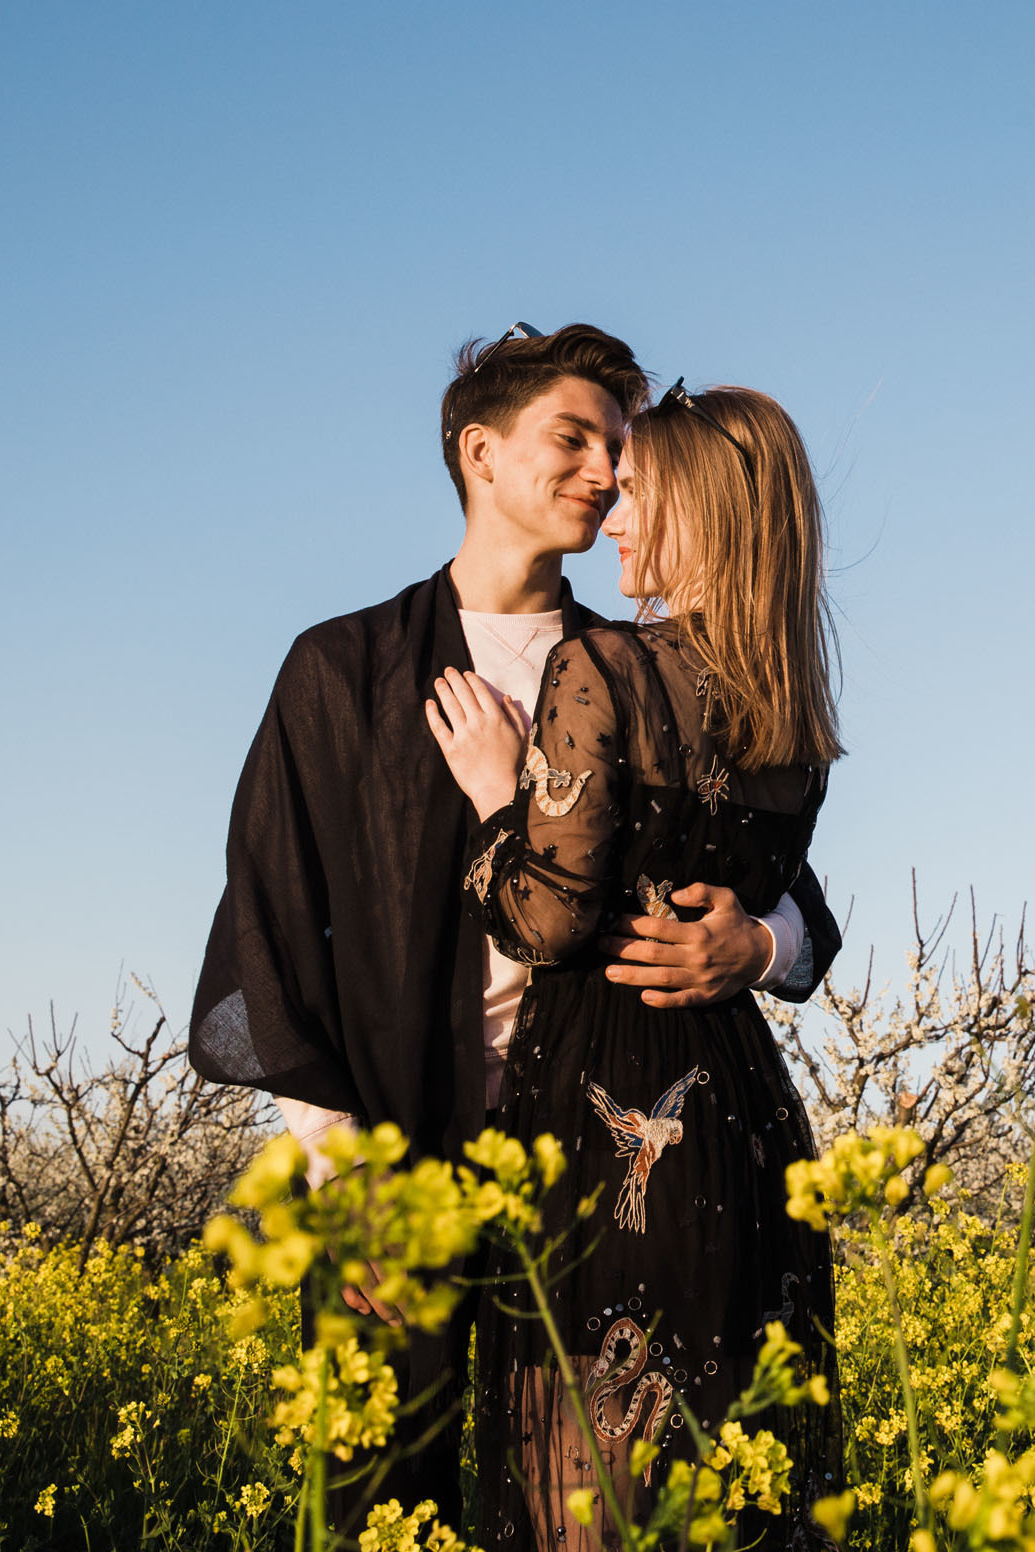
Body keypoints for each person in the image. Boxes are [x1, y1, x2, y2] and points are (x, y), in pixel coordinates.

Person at [189, 326, 842, 1532]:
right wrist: (348, 1182)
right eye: (574, 438)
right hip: (405, 1163)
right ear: (477, 452)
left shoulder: (643, 659)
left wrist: (759, 945)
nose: (604, 471)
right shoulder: (344, 670)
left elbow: (791, 884)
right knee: (391, 1502)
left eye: (619, 450)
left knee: (604, 1503)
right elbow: (270, 931)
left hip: (601, 1173)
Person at [425, 380, 842, 1548]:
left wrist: (497, 802)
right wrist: (760, 945)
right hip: (746, 1127)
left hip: (603, 1123)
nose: (612, 516)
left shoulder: (596, 669)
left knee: (590, 1483)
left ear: (703, 511)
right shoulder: (793, 723)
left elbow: (545, 921)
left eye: (639, 493)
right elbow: (808, 919)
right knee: (738, 1475)